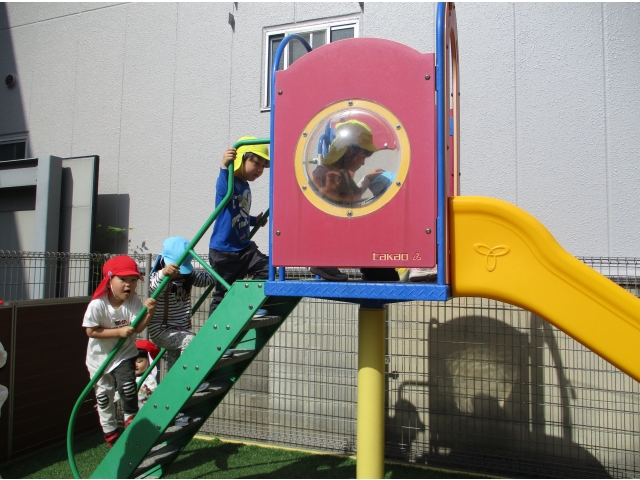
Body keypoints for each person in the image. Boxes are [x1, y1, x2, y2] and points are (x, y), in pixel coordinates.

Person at [82, 255, 157, 448]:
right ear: (109, 280)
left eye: (133, 280)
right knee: (104, 397)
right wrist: (118, 331)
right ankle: (110, 432)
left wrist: (149, 312)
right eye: (122, 279)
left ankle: (131, 419)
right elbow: (91, 331)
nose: (128, 284)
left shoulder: (133, 300)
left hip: (123, 353)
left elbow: (138, 327)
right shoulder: (98, 305)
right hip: (99, 359)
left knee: (128, 387)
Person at [309, 120, 395, 282]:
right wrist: (328, 190)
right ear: (349, 151)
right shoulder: (323, 172)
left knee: (384, 268)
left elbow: (354, 198)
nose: (363, 162)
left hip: (346, 227)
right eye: (362, 157)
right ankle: (322, 261)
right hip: (331, 232)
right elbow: (315, 206)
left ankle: (378, 271)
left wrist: (367, 179)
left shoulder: (344, 175)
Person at [208, 137, 270, 316]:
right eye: (256, 163)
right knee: (223, 293)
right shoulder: (229, 181)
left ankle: (248, 305)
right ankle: (212, 329)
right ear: (241, 158)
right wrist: (224, 165)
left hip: (243, 248)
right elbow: (221, 188)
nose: (259, 170)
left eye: (263, 166)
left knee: (267, 269)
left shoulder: (245, 185)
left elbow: (237, 213)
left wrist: (254, 221)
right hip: (224, 251)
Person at [148, 236, 228, 371]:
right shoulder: (158, 277)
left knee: (175, 361)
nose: (179, 273)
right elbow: (153, 288)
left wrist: (221, 266)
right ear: (164, 262)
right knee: (190, 340)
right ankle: (188, 375)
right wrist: (164, 274)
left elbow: (205, 280)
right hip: (161, 330)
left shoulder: (187, 276)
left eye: (182, 269)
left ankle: (174, 381)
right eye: (176, 269)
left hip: (181, 329)